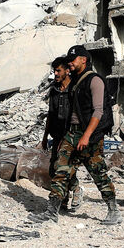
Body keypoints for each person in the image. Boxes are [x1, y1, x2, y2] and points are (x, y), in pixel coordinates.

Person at [34, 44, 118, 225]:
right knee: (60, 171)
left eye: (73, 60)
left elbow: (98, 112)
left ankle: (113, 210)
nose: (70, 63)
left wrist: (86, 136)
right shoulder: (74, 82)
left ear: (83, 60)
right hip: (71, 134)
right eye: (69, 61)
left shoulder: (95, 80)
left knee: (98, 173)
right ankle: (51, 211)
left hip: (90, 136)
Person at [41, 57, 81, 210]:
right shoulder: (54, 90)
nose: (56, 74)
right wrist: (45, 138)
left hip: (71, 134)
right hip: (56, 135)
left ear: (67, 70)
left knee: (62, 167)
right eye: (54, 71)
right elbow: (50, 115)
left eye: (58, 70)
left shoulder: (75, 88)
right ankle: (64, 198)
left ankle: (75, 189)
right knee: (54, 169)